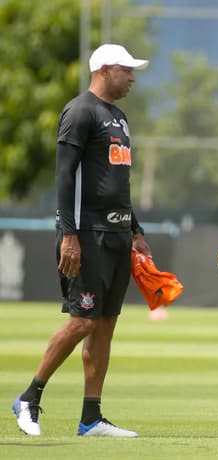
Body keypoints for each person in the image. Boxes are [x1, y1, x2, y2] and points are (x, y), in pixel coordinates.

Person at [12, 44, 150, 437]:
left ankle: (90, 418)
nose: (133, 77)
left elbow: (117, 182)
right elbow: (64, 176)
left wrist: (135, 230)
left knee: (105, 323)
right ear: (105, 69)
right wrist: (68, 234)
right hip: (86, 235)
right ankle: (30, 397)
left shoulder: (120, 119)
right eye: (127, 70)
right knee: (82, 321)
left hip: (117, 235)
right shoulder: (80, 111)